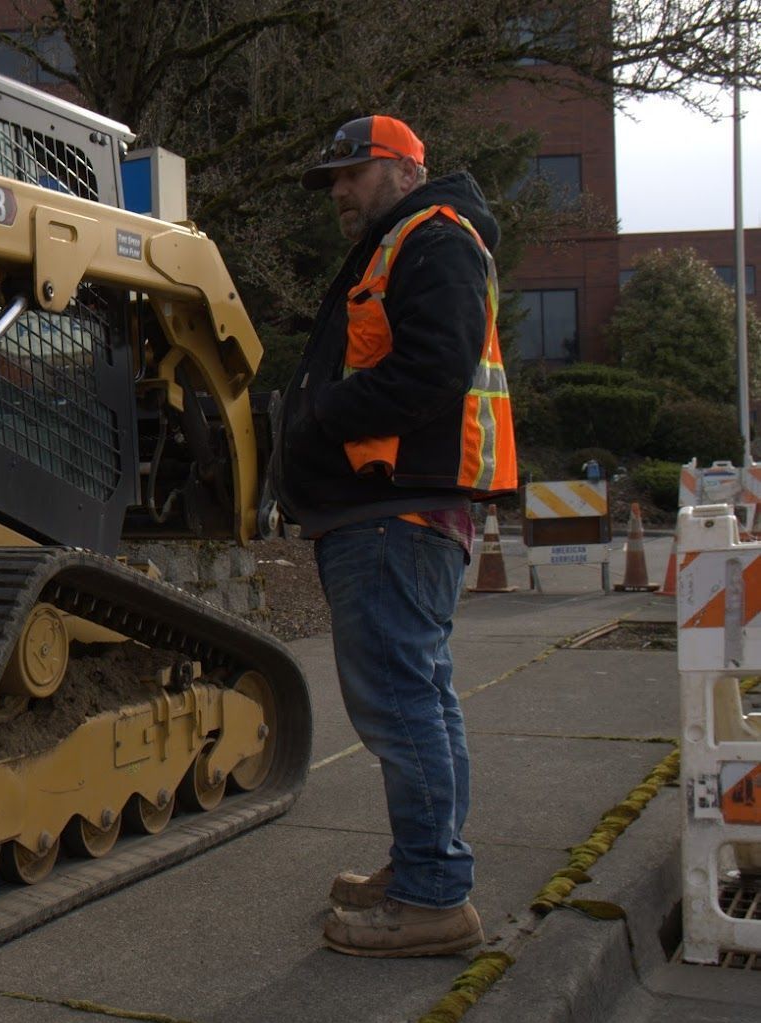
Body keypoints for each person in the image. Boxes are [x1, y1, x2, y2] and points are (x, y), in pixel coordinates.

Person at [273, 115, 517, 957]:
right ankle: (426, 868)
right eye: (333, 178)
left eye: (354, 172)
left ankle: (432, 899)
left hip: (392, 512)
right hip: (396, 512)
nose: (339, 190)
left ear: (408, 172)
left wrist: (312, 417)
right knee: (422, 700)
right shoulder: (409, 242)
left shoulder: (431, 238)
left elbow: (430, 369)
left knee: (403, 705)